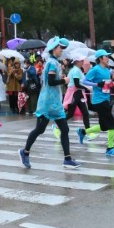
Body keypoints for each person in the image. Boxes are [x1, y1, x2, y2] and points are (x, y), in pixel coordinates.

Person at [18, 37, 81, 170]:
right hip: (47, 103)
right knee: (39, 129)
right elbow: (51, 82)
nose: (61, 50)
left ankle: (67, 159)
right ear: (53, 49)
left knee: (64, 129)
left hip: (55, 103)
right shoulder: (52, 63)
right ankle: (25, 152)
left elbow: (52, 80)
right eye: (60, 48)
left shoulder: (54, 62)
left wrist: (62, 79)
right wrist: (64, 81)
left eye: (62, 48)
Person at [77, 49, 114, 158]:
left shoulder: (107, 70)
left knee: (103, 126)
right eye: (106, 56)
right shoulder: (95, 69)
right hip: (99, 101)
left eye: (108, 56)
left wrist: (111, 82)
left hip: (106, 99)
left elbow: (107, 82)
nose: (108, 58)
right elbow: (84, 81)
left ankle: (83, 132)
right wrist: (97, 84)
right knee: (112, 124)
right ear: (100, 58)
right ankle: (110, 149)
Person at [63, 53, 91, 130]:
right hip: (74, 93)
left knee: (85, 113)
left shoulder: (77, 70)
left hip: (78, 93)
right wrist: (87, 88)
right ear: (76, 62)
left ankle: (88, 131)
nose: (82, 62)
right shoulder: (75, 70)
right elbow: (77, 84)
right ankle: (59, 126)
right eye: (81, 60)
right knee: (71, 113)